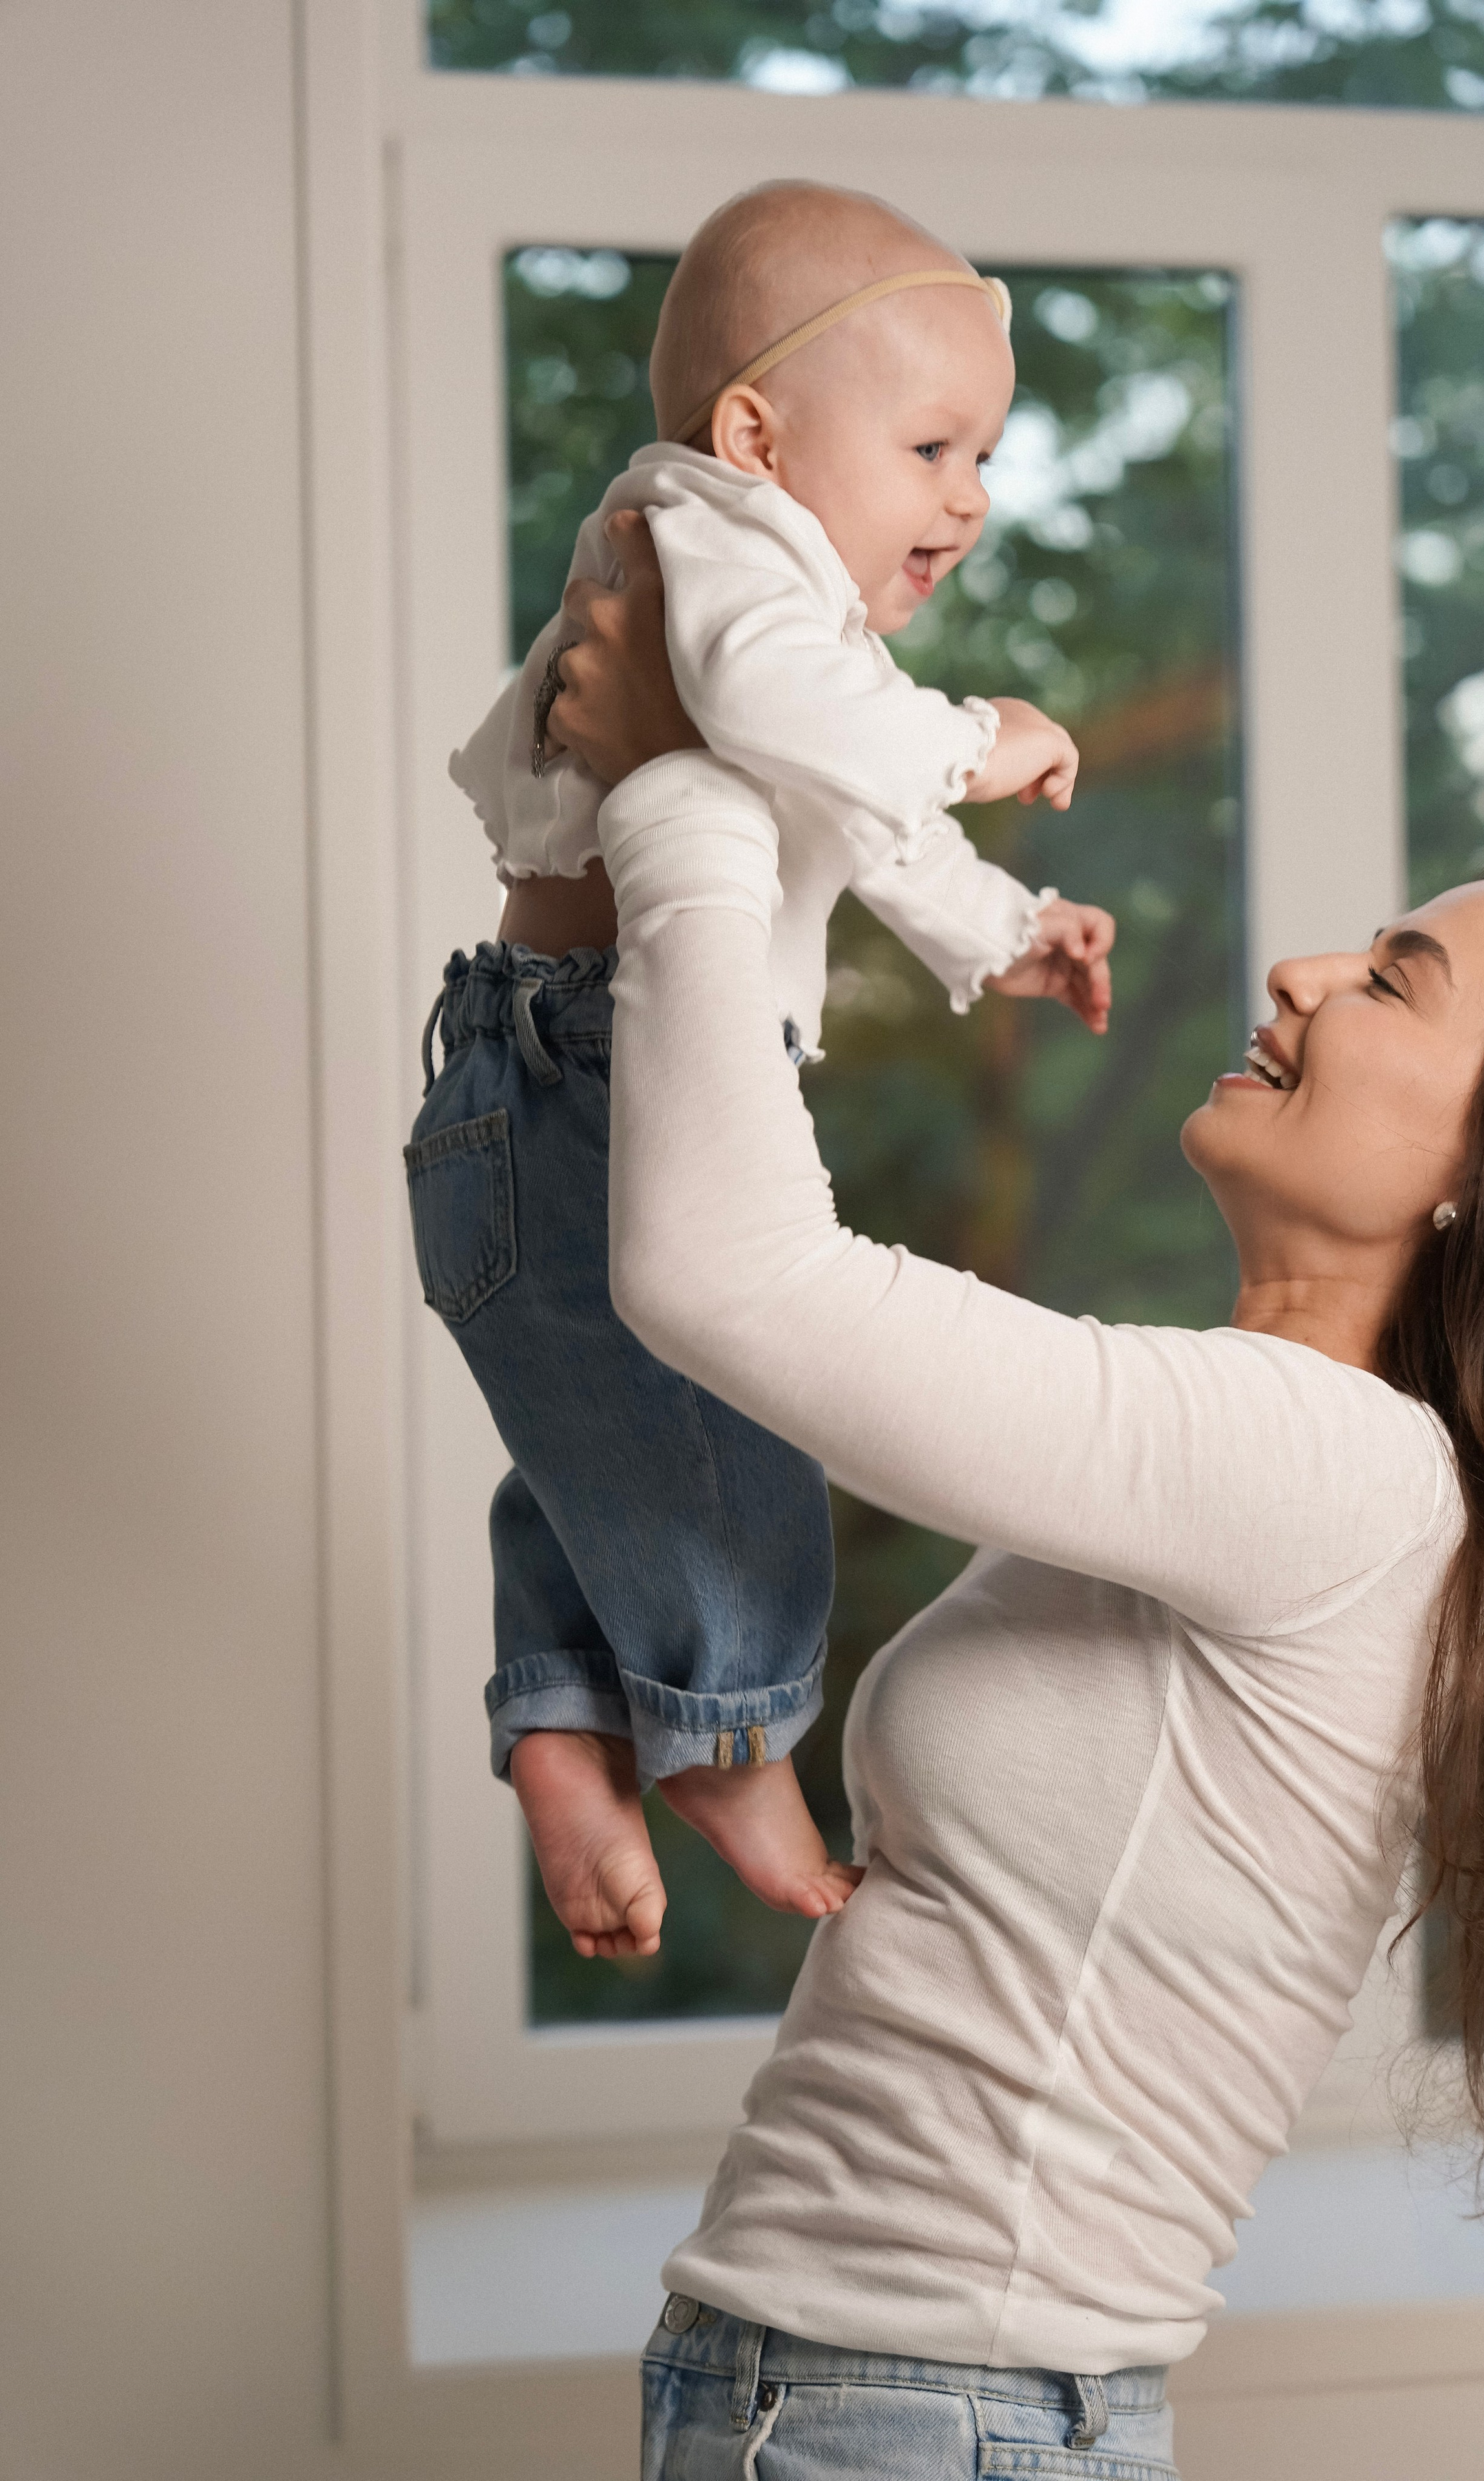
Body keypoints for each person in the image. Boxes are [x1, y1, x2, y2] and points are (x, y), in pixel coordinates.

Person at [542, 522, 1484, 2478]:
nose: (1309, 968)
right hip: (862, 2395)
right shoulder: (1299, 1458)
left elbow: (735, 1279)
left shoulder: (1327, 1473)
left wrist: (683, 786)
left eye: (1394, 979)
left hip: (913, 2412)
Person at [409, 180, 1113, 1958]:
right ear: (755, 433)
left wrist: (998, 932)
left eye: (987, 456)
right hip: (586, 1073)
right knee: (723, 1440)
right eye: (938, 444)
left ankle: (568, 1726)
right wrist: (982, 734)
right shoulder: (713, 540)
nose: (971, 496)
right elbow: (830, 735)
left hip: (538, 1075)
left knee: (610, 1443)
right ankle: (722, 1740)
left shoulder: (781, 626)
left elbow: (846, 808)